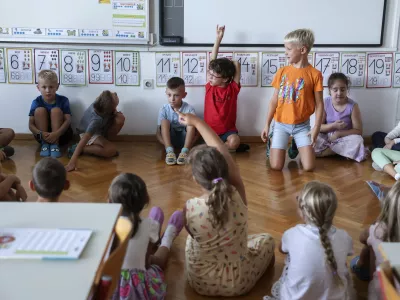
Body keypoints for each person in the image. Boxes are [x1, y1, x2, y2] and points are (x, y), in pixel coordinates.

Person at [178, 112, 275, 296]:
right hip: (237, 283)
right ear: (224, 172)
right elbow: (223, 151)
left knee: (192, 240)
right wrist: (198, 122)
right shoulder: (236, 193)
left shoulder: (190, 207)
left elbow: (193, 234)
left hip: (200, 280)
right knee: (267, 240)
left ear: (196, 179)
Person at [265, 181, 355, 300]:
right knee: (341, 263)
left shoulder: (292, 234)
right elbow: (348, 252)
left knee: (290, 259)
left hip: (295, 297)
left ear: (302, 212)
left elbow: (282, 249)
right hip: (336, 297)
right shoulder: (344, 236)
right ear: (333, 212)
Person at [108, 173, 184, 300]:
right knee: (157, 262)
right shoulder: (146, 225)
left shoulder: (106, 225)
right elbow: (146, 263)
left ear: (110, 201)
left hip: (109, 286)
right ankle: (167, 237)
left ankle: (156, 231)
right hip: (136, 286)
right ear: (145, 201)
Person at [261, 29, 324, 171]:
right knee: (276, 166)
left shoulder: (315, 74)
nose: (286, 52)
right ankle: (275, 139)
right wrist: (267, 124)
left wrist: (316, 129)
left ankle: (296, 143)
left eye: (289, 49)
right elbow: (274, 100)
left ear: (302, 50)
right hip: (280, 124)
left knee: (309, 167)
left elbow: (320, 105)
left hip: (302, 126)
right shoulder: (282, 72)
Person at [351, 181, 400, 299]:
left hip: (381, 294)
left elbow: (362, 238)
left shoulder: (378, 230)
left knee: (372, 245)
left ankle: (361, 264)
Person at [205, 25, 249, 152]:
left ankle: (220, 149)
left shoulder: (232, 89)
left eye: (214, 75)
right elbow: (212, 61)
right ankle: (222, 149)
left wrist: (226, 66)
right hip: (210, 130)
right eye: (210, 74)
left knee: (235, 141)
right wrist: (218, 39)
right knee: (208, 143)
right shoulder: (209, 87)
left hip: (228, 131)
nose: (210, 77)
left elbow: (236, 64)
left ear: (225, 78)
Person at [65, 90, 125, 172]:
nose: (115, 93)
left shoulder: (101, 102)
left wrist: (115, 113)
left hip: (100, 130)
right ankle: (79, 149)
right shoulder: (96, 120)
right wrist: (72, 161)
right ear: (109, 110)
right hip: (87, 133)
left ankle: (102, 144)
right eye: (115, 105)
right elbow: (85, 137)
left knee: (120, 119)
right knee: (111, 150)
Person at [314, 73, 368, 162]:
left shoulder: (353, 106)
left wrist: (339, 133)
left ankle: (327, 152)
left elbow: (358, 131)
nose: (339, 93)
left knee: (358, 140)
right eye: (335, 90)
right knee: (309, 138)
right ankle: (339, 152)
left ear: (347, 89)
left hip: (344, 138)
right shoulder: (324, 103)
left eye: (343, 90)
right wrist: (333, 126)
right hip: (327, 137)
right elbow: (318, 127)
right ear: (330, 90)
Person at [28, 70, 73, 158]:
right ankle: (45, 145)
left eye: (51, 87)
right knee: (39, 110)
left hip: (61, 135)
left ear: (57, 87)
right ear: (38, 88)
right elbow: (30, 124)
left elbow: (68, 120)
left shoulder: (63, 100)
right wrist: (41, 134)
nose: (48, 90)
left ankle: (55, 145)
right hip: (42, 136)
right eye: (44, 87)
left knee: (56, 110)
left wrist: (56, 134)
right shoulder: (36, 102)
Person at [156, 77, 197, 165]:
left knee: (191, 122)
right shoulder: (163, 109)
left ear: (184, 95)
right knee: (164, 122)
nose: (172, 99)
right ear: (166, 92)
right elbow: (158, 133)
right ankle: (170, 152)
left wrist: (189, 146)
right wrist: (167, 146)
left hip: (185, 139)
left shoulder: (189, 109)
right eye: (169, 95)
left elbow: (197, 132)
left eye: (176, 95)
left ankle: (184, 152)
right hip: (170, 139)